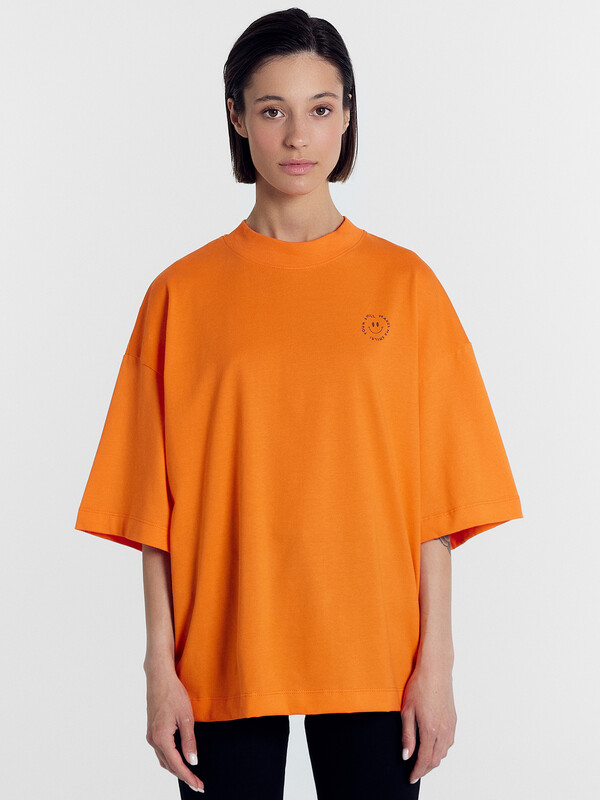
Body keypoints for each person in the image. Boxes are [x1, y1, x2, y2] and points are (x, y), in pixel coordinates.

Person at [74, 7, 523, 799]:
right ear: (236, 117)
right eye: (273, 110)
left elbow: (436, 506)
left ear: (347, 116)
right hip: (222, 652)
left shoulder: (406, 286)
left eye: (320, 109)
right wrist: (158, 669)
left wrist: (439, 665)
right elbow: (152, 511)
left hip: (377, 655)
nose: (297, 137)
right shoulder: (181, 295)